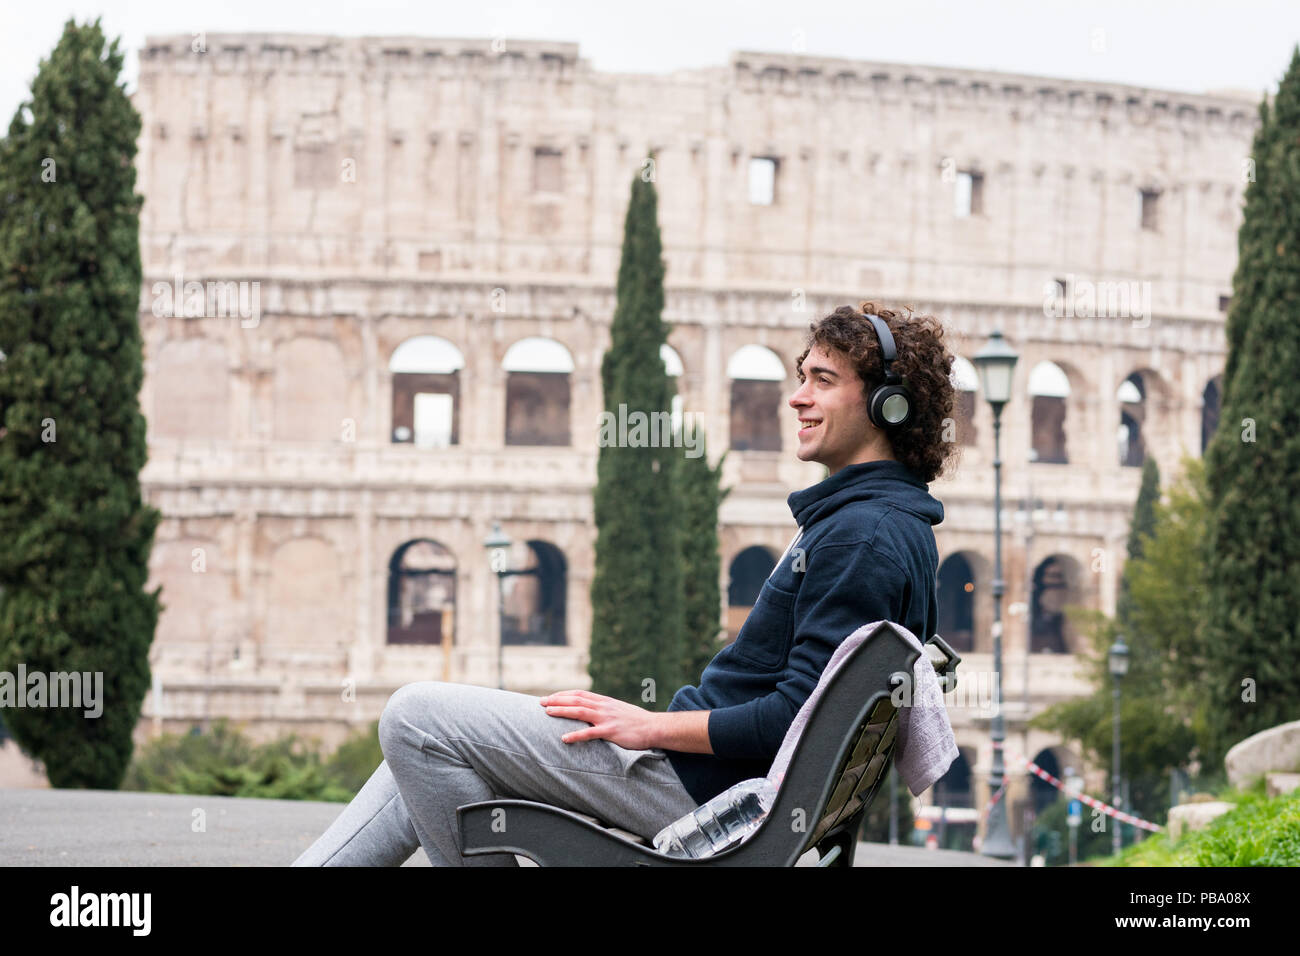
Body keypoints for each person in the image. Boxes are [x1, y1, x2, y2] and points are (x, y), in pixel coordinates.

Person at [291, 301, 958, 866]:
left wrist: (651, 727)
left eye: (822, 380)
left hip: (693, 784)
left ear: (884, 405)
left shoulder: (859, 537)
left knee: (416, 718)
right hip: (708, 777)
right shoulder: (883, 522)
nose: (797, 396)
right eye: (800, 376)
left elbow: (790, 717)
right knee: (426, 748)